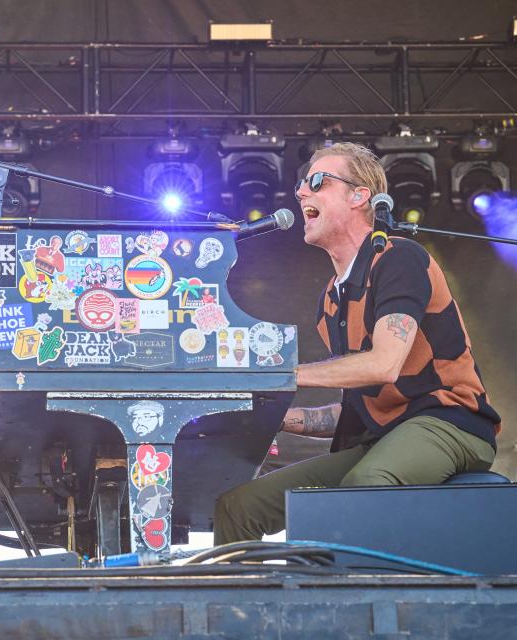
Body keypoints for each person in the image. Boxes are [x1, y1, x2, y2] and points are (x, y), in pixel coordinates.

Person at [213, 142, 502, 545]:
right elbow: (357, 406)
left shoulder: (398, 258)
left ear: (359, 195)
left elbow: (384, 364)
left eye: (317, 182)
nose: (300, 193)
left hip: (450, 424)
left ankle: (367, 606)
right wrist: (274, 419)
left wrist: (278, 376)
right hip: (382, 439)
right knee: (239, 506)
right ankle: (239, 606)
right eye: (301, 185)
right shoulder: (331, 299)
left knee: (366, 483)